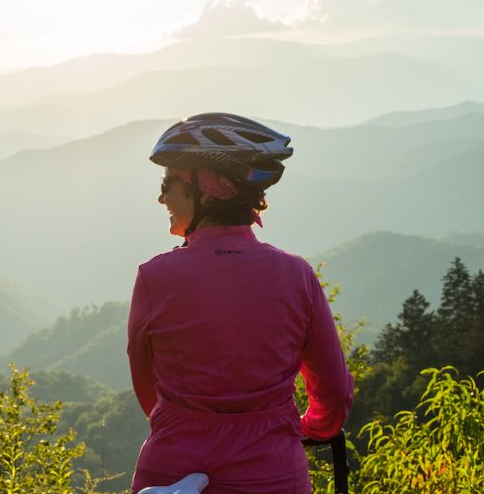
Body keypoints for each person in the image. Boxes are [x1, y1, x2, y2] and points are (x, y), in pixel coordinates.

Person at [127, 113, 354, 494]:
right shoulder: (296, 275)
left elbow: (148, 392)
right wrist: (307, 428)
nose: (161, 196)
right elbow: (333, 393)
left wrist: (191, 427)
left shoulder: (154, 277)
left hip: (172, 473)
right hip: (274, 474)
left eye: (168, 183)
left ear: (208, 188)